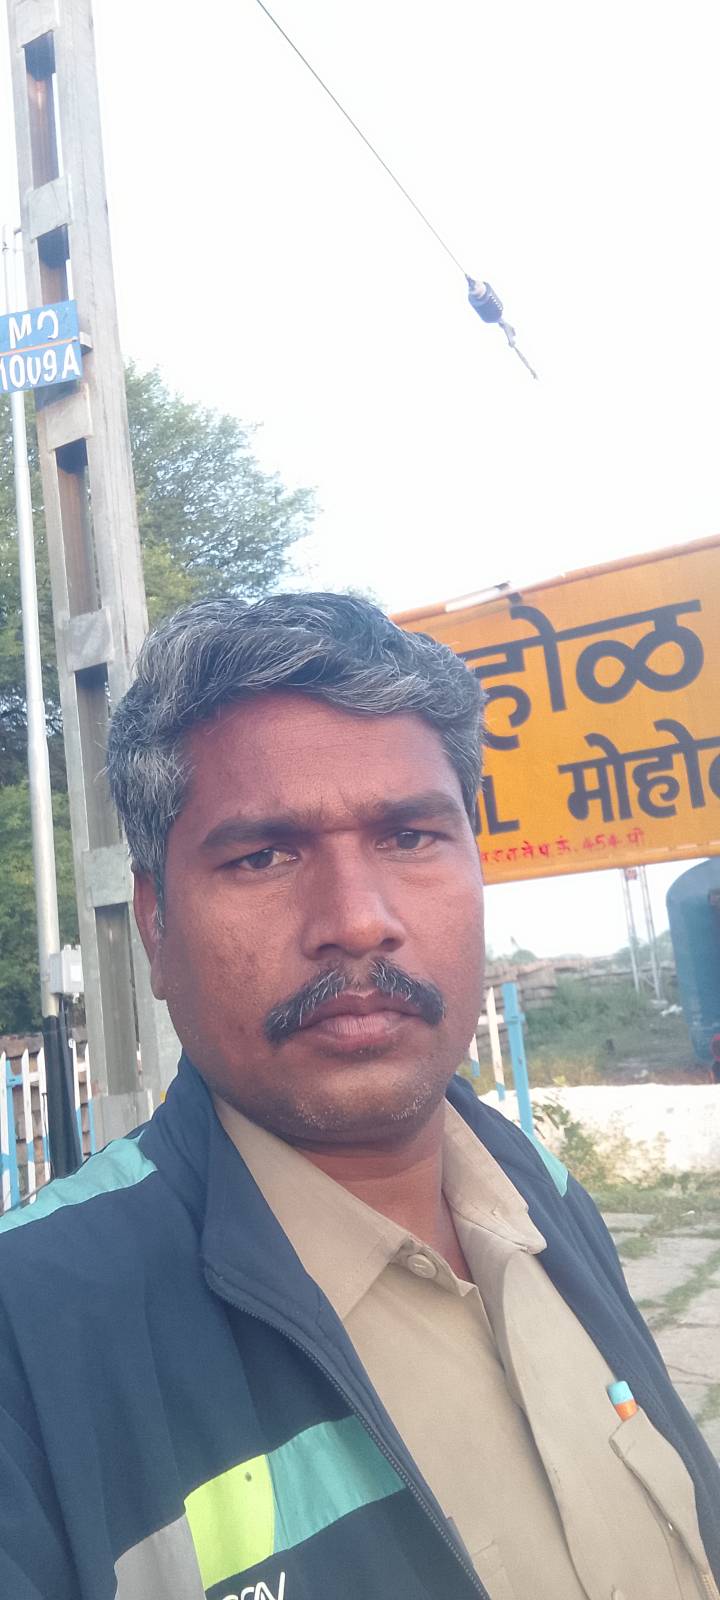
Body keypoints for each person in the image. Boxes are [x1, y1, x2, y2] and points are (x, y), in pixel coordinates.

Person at [1, 593, 718, 1600]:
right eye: (263, 855)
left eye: (410, 837)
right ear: (156, 927)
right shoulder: (32, 1336)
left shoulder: (541, 1193)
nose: (357, 919)